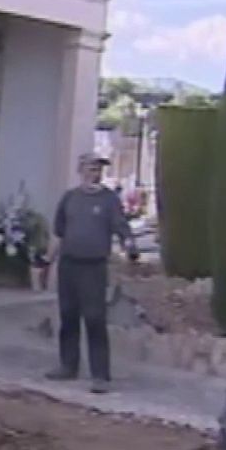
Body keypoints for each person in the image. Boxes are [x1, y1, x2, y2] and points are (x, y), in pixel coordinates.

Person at [46, 153, 138, 394]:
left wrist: (130, 247)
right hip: (68, 264)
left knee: (95, 318)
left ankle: (100, 376)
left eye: (98, 169)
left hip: (93, 267)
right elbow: (58, 233)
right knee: (68, 316)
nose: (94, 173)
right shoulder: (69, 198)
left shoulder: (109, 200)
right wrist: (47, 259)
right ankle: (68, 366)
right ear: (80, 170)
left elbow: (122, 228)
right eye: (90, 168)